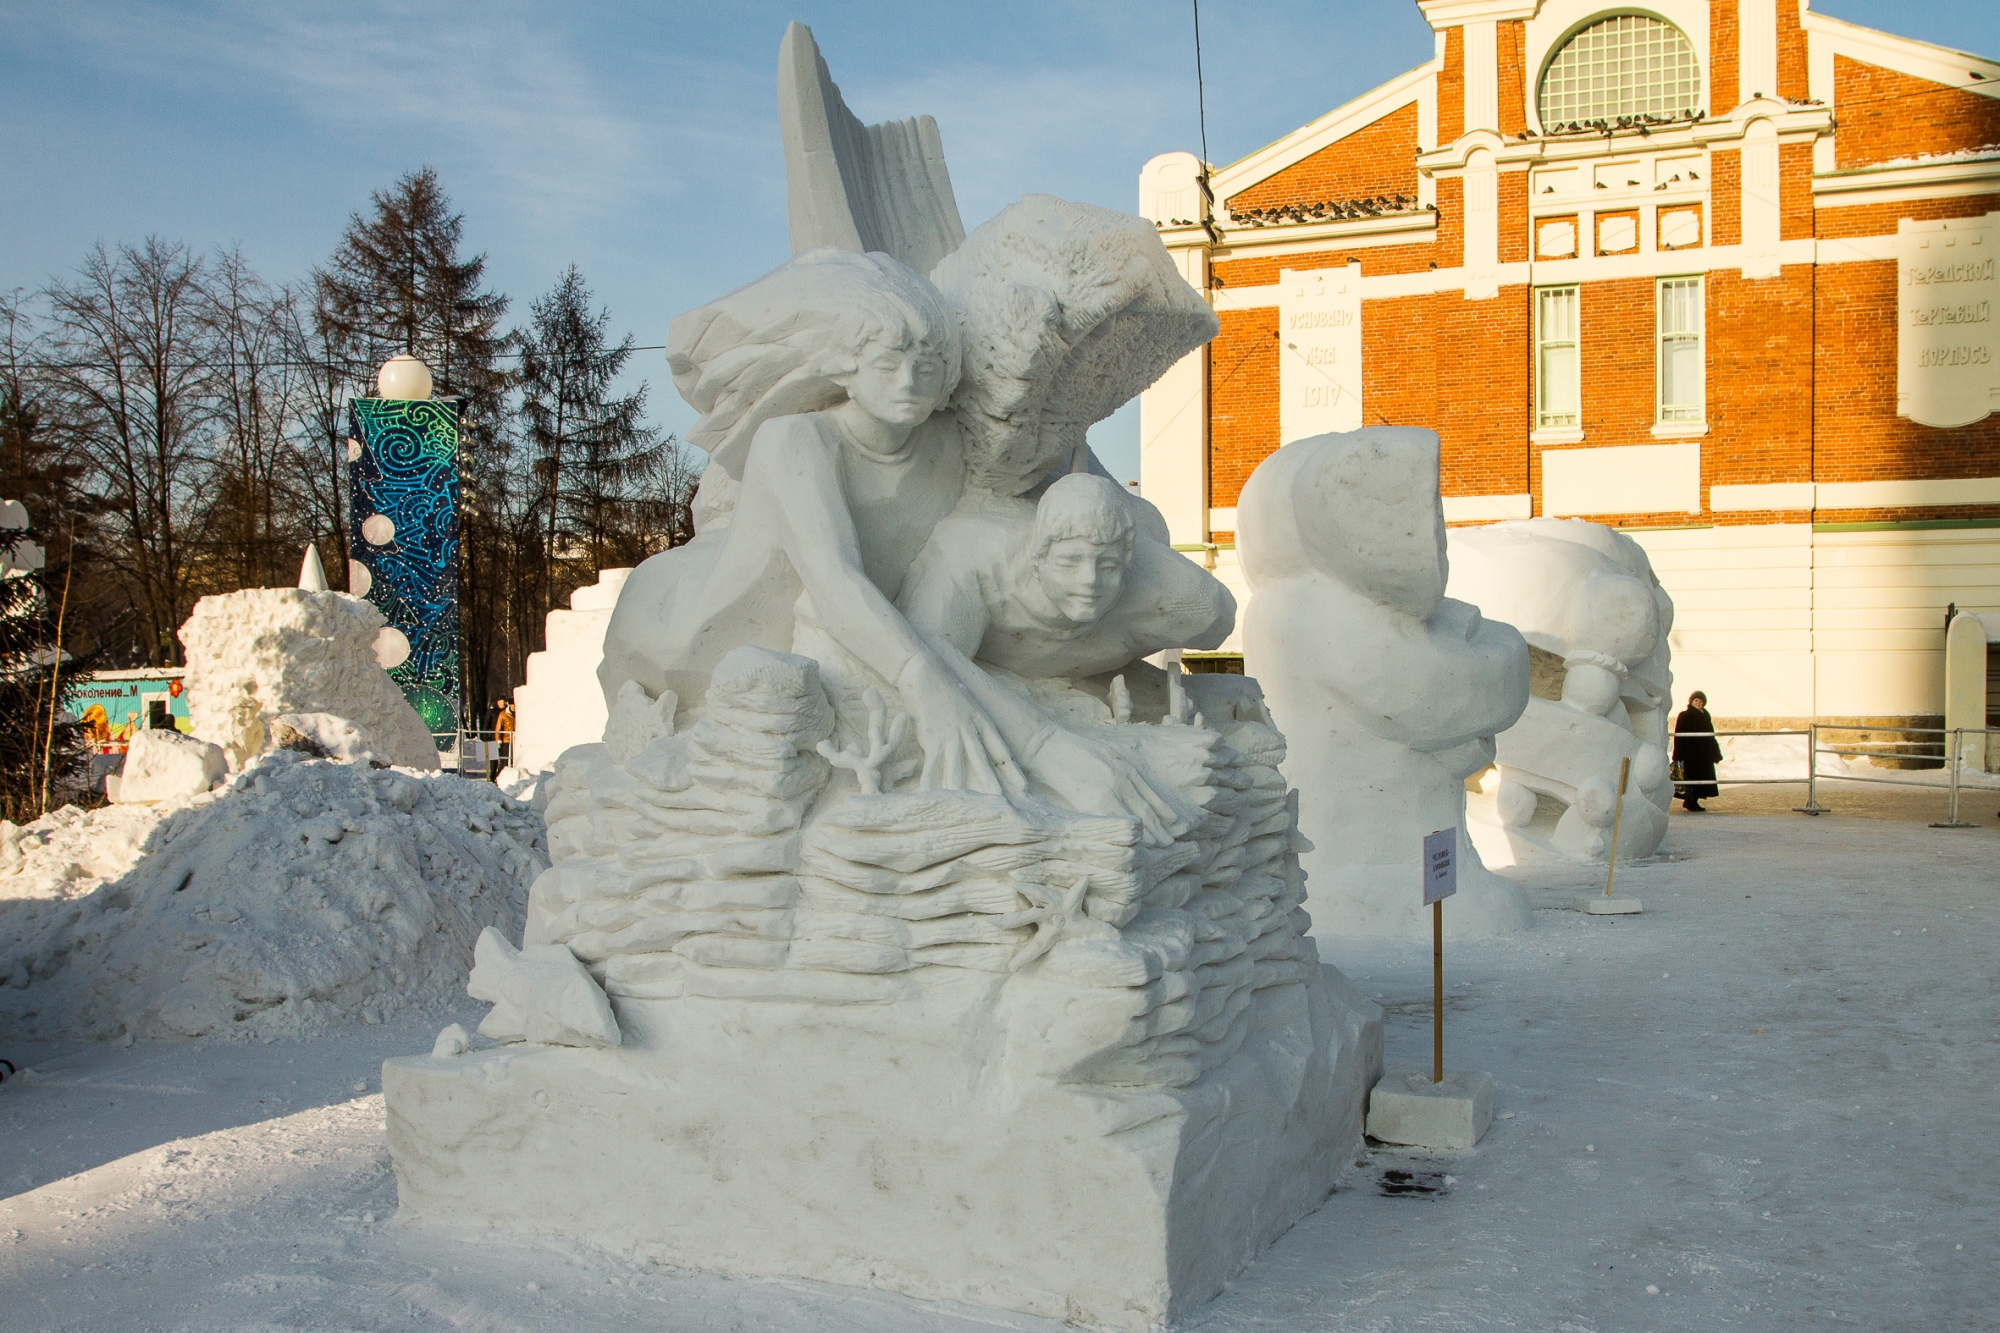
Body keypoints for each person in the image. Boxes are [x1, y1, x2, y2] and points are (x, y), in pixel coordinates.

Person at [1672, 690, 1722, 811]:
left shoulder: (1705, 715)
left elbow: (1710, 735)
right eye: (1696, 701)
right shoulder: (1685, 715)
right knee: (1691, 778)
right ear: (1691, 701)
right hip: (1690, 753)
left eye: (1700, 701)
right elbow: (1679, 735)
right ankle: (1689, 801)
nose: (1698, 703)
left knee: (1701, 778)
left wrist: (1715, 752)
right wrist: (1679, 753)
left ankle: (1693, 800)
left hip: (1704, 754)